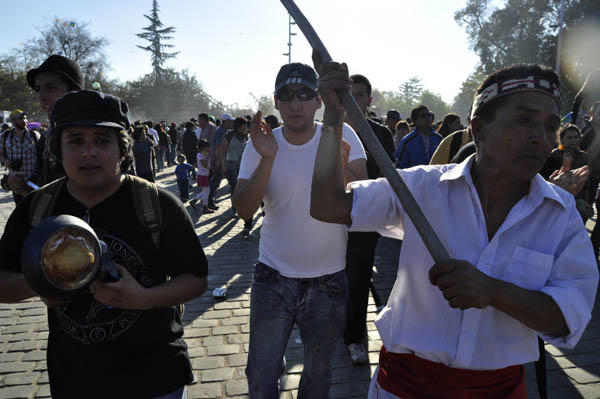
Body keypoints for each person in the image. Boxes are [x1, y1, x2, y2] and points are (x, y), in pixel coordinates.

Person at [311, 60, 598, 398]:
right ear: (478, 129)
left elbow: (569, 316)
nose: (541, 138)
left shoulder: (559, 215)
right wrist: (332, 119)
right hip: (402, 388)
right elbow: (327, 205)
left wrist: (492, 291)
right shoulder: (421, 189)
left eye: (551, 126)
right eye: (523, 120)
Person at [0, 90, 208, 398]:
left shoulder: (157, 204)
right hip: (75, 379)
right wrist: (43, 283)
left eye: (102, 140)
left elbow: (196, 280)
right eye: (75, 141)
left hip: (156, 376)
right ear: (58, 148)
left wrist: (144, 298)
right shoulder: (37, 208)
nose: (88, 152)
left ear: (122, 150)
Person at [233, 62, 367, 399]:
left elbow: (362, 203)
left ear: (319, 100)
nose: (296, 104)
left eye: (305, 95)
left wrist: (338, 168)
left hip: (328, 280)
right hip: (272, 277)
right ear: (276, 102)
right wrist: (267, 158)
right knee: (261, 374)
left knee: (318, 376)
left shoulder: (342, 134)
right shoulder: (262, 141)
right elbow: (243, 209)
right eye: (287, 96)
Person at [342, 73, 395, 364]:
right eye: (347, 95)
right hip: (327, 218)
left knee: (359, 278)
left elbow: (385, 177)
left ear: (369, 99)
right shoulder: (326, 132)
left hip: (364, 218)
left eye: (359, 95)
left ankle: (354, 337)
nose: (353, 101)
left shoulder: (380, 134)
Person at [26, 54, 84, 187]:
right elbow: (41, 182)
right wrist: (21, 186)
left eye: (50, 88)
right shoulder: (47, 137)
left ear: (74, 91)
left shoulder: (100, 133)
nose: (41, 97)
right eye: (38, 89)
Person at [0, 110, 40, 204]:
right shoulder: (5, 136)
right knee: (21, 210)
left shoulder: (34, 135)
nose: (24, 121)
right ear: (13, 121)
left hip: (32, 181)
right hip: (15, 181)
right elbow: (0, 152)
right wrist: (5, 160)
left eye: (25, 118)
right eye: (21, 118)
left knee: (34, 209)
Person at [208, 113, 235, 210]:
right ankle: (209, 201)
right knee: (216, 182)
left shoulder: (221, 130)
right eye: (230, 121)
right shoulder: (221, 131)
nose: (231, 123)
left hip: (218, 159)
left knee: (215, 182)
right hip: (219, 160)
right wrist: (219, 161)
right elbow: (218, 147)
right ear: (226, 121)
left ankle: (209, 200)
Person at [190, 139, 214, 214]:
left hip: (203, 175)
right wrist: (207, 157)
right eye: (207, 147)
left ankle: (194, 201)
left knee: (206, 191)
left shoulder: (200, 155)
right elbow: (206, 166)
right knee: (206, 192)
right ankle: (205, 207)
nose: (208, 149)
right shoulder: (201, 156)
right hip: (202, 176)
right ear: (203, 148)